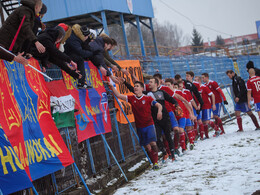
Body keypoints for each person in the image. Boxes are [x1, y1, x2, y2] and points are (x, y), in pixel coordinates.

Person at [107, 80, 162, 170]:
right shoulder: (132, 98)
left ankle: (156, 162)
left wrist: (159, 112)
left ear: (141, 88)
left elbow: (159, 105)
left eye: (137, 86)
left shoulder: (148, 98)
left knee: (152, 143)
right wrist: (112, 86)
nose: (135, 87)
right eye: (135, 86)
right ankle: (153, 162)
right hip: (140, 126)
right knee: (147, 146)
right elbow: (118, 95)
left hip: (149, 124)